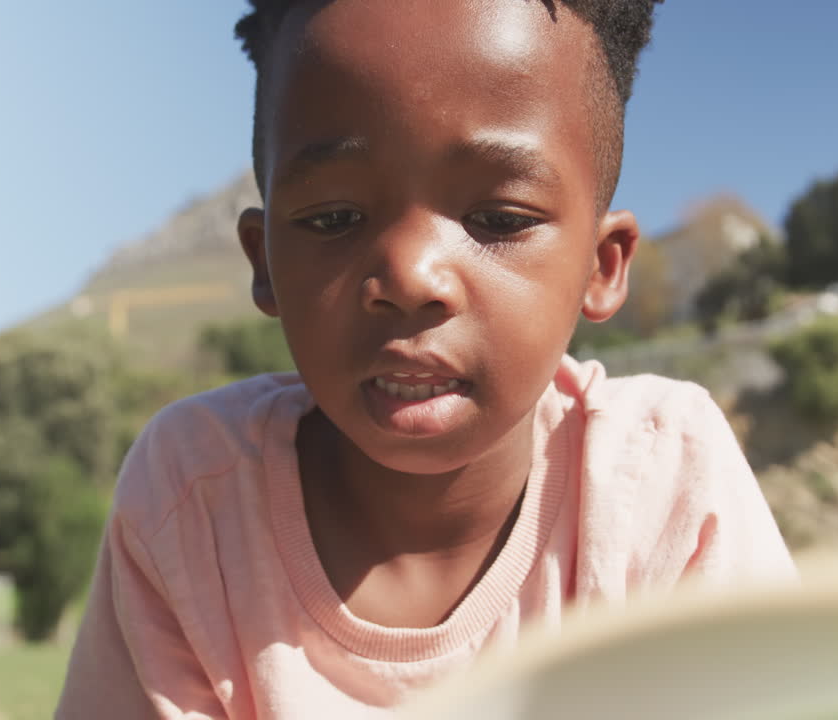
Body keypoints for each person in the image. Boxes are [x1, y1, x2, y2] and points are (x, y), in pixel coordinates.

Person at [57, 1, 795, 718]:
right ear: (265, 263)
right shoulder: (193, 503)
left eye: (499, 220)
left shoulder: (663, 481)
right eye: (334, 219)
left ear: (600, 267)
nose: (411, 275)